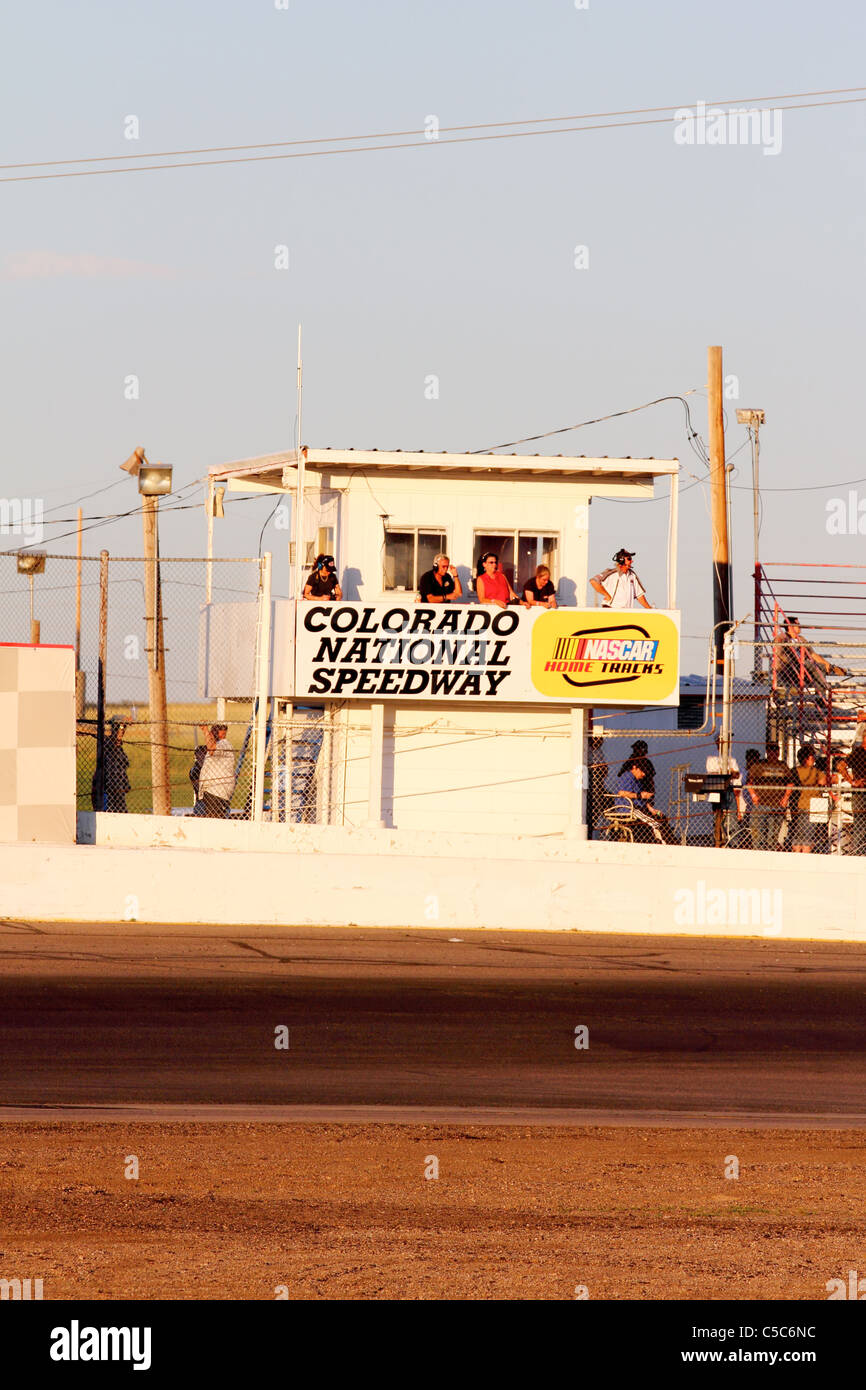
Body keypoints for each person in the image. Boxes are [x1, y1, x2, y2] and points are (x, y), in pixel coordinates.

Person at [746, 742, 794, 852]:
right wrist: (753, 795)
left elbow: (790, 783)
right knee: (758, 835)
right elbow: (749, 782)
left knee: (772, 836)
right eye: (771, 750)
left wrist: (786, 797)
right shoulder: (759, 764)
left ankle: (770, 855)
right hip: (761, 804)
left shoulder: (783, 765)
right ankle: (758, 856)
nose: (774, 753)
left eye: (776, 750)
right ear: (767, 752)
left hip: (777, 805)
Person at [705, 733, 744, 848]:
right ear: (717, 742)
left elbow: (736, 774)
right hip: (717, 789)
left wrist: (728, 773)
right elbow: (713, 773)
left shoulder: (732, 758)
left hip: (729, 789)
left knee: (731, 815)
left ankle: (733, 843)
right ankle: (718, 841)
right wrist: (728, 773)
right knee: (718, 816)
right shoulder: (712, 757)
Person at [614, 758, 664, 843]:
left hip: (640, 808)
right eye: (642, 771)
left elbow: (641, 799)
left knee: (661, 817)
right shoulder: (627, 776)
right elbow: (621, 793)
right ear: (634, 768)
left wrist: (651, 809)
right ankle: (662, 842)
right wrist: (640, 795)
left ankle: (663, 839)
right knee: (655, 823)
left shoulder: (638, 781)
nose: (644, 774)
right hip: (630, 808)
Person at [194, 722, 236, 818]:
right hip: (212, 791)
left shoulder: (224, 744)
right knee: (212, 818)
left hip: (216, 791)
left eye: (214, 732)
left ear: (222, 733)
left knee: (214, 818)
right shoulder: (219, 744)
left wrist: (205, 730)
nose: (211, 734)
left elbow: (212, 748)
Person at [90, 716, 131, 813]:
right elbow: (117, 738)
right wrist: (122, 725)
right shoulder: (108, 745)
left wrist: (125, 785)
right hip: (108, 791)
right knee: (108, 813)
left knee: (121, 815)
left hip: (118, 791)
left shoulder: (118, 750)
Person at [790, 746, 826, 853]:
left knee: (798, 831)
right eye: (812, 757)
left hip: (798, 804)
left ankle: (796, 851)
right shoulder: (814, 771)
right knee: (808, 834)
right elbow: (823, 781)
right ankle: (805, 853)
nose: (814, 759)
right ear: (807, 758)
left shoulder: (795, 770)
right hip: (813, 805)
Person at [828, 754, 854, 855]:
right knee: (838, 829)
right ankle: (836, 851)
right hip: (841, 805)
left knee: (850, 830)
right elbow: (827, 784)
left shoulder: (850, 775)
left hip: (850, 805)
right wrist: (833, 796)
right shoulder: (836, 777)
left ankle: (849, 851)